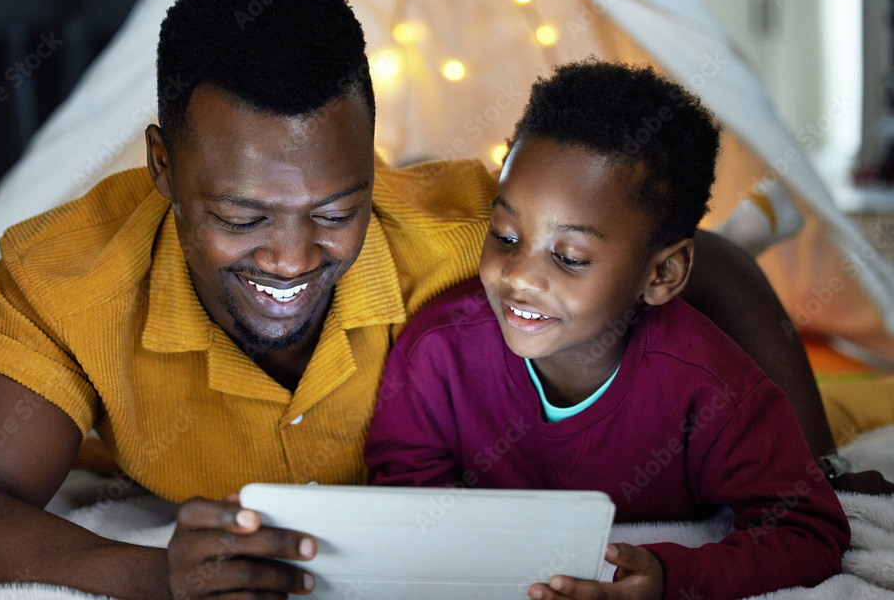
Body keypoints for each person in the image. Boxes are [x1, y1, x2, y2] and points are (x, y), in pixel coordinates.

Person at [0, 0, 882, 600]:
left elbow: (705, 258)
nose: (289, 256)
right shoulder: (71, 267)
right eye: (240, 214)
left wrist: (816, 460)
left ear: (371, 162)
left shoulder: (469, 237)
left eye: (334, 209)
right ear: (161, 165)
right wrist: (147, 570)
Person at [363, 61, 850, 600]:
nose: (520, 276)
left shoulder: (712, 388)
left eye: (569, 258)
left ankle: (745, 231)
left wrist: (670, 579)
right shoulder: (436, 353)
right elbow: (406, 505)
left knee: (754, 297)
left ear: (662, 274)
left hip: (722, 316)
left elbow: (810, 530)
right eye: (504, 235)